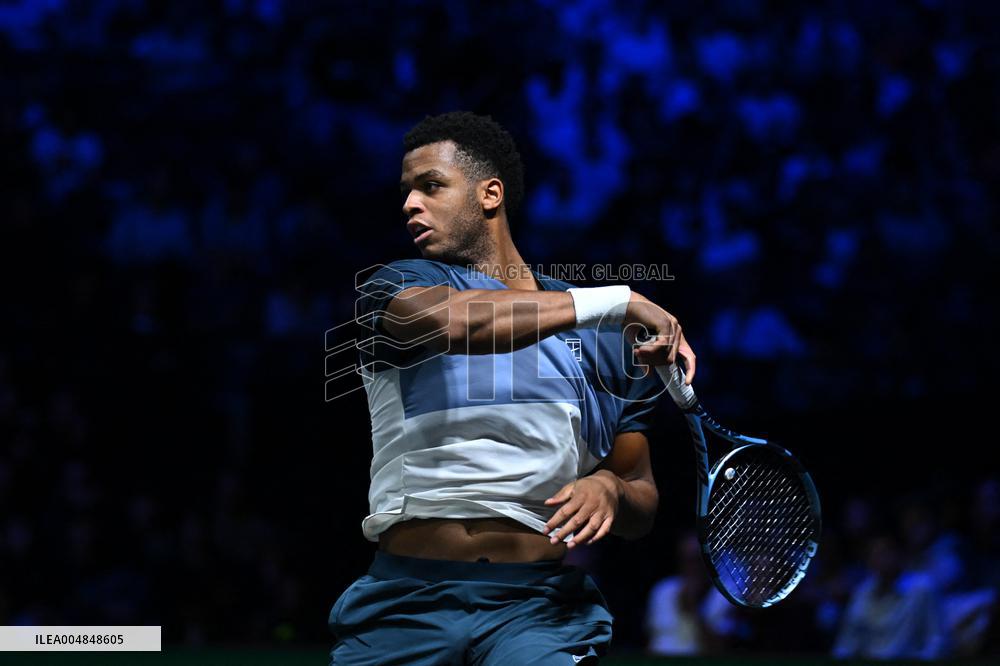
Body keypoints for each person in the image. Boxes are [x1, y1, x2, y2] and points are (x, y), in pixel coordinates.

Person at [329, 111, 696, 665]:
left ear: (489, 194)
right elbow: (455, 325)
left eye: (430, 186)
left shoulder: (606, 340)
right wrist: (616, 299)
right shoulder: (397, 287)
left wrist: (612, 491)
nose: (409, 204)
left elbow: (639, 496)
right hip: (405, 602)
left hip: (538, 612)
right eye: (405, 192)